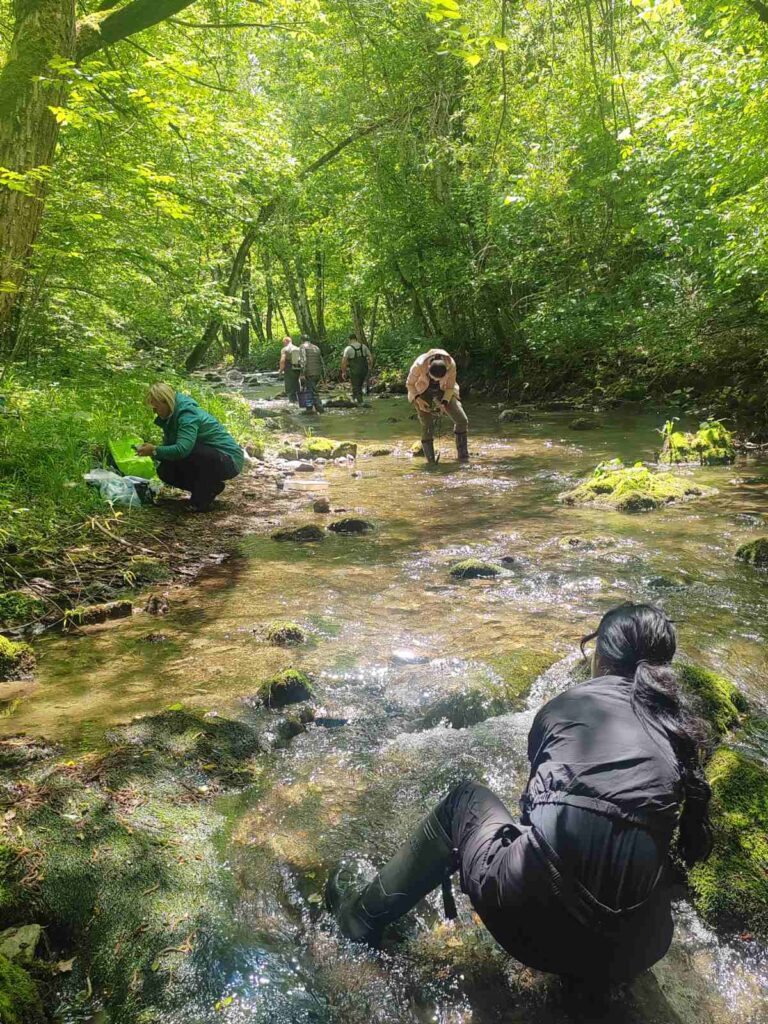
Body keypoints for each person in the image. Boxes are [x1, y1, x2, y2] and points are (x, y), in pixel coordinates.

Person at [326, 603, 713, 984]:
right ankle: (588, 978)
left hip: (532, 928)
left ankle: (359, 918)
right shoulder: (681, 731)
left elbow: (534, 819)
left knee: (464, 800)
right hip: (633, 953)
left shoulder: (569, 705)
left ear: (603, 655)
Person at [137, 384, 244, 512]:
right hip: (214, 457)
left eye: (156, 408)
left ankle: (201, 499)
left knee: (195, 453)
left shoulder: (187, 415)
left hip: (229, 460)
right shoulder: (172, 417)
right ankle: (209, 488)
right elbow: (170, 449)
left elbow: (183, 449)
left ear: (166, 402)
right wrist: (154, 451)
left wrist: (154, 450)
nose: (155, 412)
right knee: (165, 470)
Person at [406, 348, 469, 463]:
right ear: (428, 368)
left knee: (462, 420)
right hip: (420, 392)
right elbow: (409, 384)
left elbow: (450, 388)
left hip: (443, 390)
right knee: (428, 424)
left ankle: (463, 458)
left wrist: (443, 403)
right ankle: (431, 463)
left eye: (438, 379)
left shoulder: (451, 365)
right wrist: (418, 400)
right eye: (433, 378)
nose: (435, 380)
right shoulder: (418, 365)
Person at [341, 332, 373, 405]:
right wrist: (370, 366)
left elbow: (344, 361)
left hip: (355, 371)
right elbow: (370, 357)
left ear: (349, 340)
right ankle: (354, 400)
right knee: (359, 385)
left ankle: (361, 403)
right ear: (356, 339)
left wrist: (344, 372)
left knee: (356, 386)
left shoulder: (348, 348)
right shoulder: (363, 346)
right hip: (364, 370)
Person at [299, 335, 326, 414]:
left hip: (309, 373)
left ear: (302, 340)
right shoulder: (316, 347)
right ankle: (309, 409)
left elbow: (303, 361)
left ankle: (321, 410)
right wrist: (323, 375)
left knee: (313, 392)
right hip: (317, 373)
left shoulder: (302, 347)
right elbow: (321, 361)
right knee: (309, 391)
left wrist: (302, 373)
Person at [279, 335, 302, 403]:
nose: (283, 344)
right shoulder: (297, 348)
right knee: (297, 384)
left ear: (286, 341)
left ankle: (292, 402)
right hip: (297, 368)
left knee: (289, 387)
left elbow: (282, 360)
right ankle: (300, 401)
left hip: (289, 368)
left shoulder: (285, 349)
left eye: (283, 342)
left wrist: (281, 370)